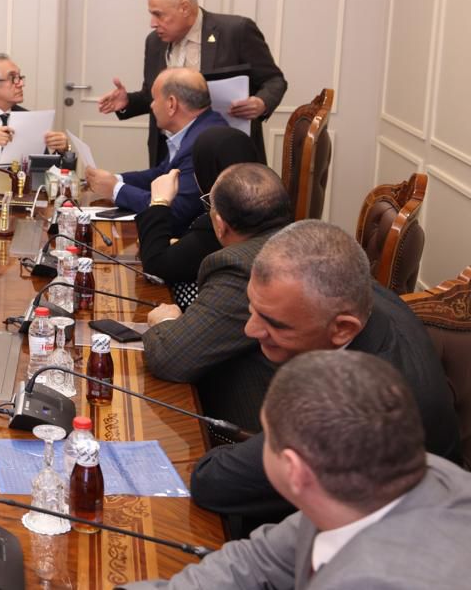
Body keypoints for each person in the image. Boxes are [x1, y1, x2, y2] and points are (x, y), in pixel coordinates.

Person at [189, 221, 461, 531]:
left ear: (343, 328)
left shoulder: (353, 410)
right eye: (251, 307)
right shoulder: (357, 293)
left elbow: (213, 482)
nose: (249, 330)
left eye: (274, 323)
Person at [127, 350, 471, 589]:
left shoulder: (372, 579)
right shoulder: (374, 484)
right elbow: (257, 561)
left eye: (266, 437)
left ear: (294, 469)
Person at [141, 163, 293, 433]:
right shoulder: (294, 242)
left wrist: (166, 322)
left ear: (220, 226)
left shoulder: (243, 266)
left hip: (258, 431)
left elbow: (169, 357)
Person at [97, 0, 286, 166]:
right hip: (168, 153)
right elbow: (154, 96)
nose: (153, 23)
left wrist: (262, 103)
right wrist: (127, 102)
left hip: (224, 149)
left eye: (159, 15)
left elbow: (274, 80)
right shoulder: (154, 42)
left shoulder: (235, 31)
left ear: (185, 8)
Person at [86, 68, 229, 236]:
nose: (151, 106)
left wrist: (115, 190)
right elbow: (161, 173)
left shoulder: (201, 142)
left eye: (154, 99)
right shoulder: (199, 127)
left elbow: (174, 209)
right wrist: (115, 180)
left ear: (171, 104)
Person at [137, 126, 263, 305]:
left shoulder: (221, 220)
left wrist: (159, 202)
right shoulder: (266, 204)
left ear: (206, 172)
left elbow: (155, 267)